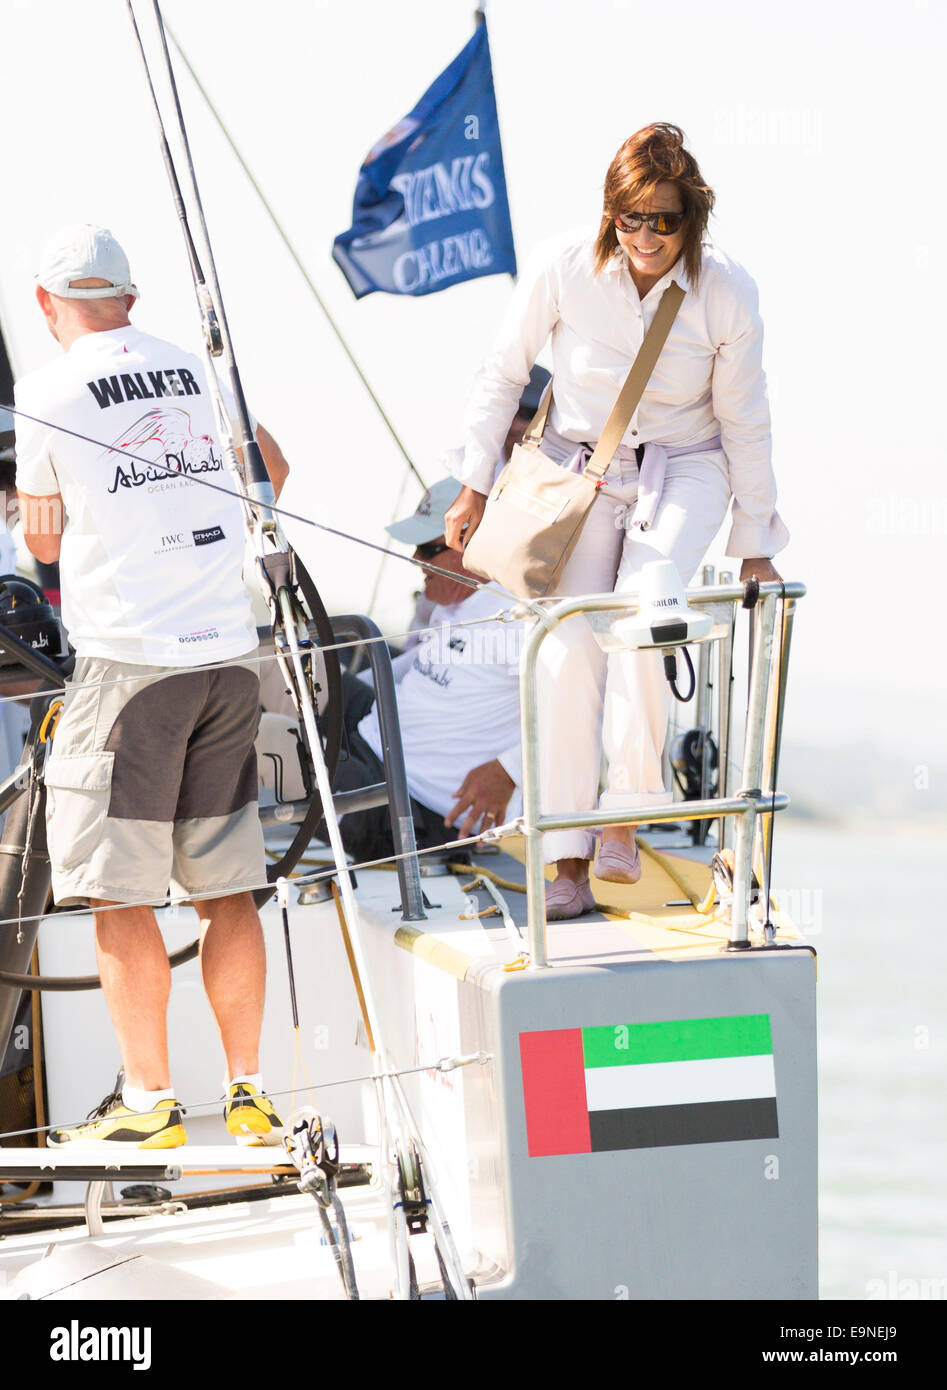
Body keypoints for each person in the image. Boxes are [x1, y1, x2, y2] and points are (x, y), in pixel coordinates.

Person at [444, 123, 788, 920]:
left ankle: (622, 820)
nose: (644, 237)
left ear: (689, 219)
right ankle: (566, 857)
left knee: (647, 607)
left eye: (662, 220)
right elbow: (501, 375)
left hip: (686, 463)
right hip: (577, 464)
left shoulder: (727, 290)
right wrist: (471, 484)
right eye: (629, 219)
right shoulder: (564, 267)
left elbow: (746, 420)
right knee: (566, 648)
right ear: (610, 217)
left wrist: (755, 545)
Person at [14, 223, 290, 1147]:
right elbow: (273, 469)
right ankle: (249, 1095)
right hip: (227, 656)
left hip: (130, 668)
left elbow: (44, 545)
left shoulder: (48, 387)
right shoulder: (194, 368)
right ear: (128, 299)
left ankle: (149, 1106)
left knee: (116, 894)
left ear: (50, 306)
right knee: (228, 890)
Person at [324, 477, 523, 863]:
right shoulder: (458, 604)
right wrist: (325, 692)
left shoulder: (518, 618)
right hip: (372, 745)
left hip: (412, 809)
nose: (415, 559)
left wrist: (509, 771)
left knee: (272, 745)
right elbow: (408, 668)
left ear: (476, 545)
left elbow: (581, 714)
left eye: (429, 549)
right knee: (290, 671)